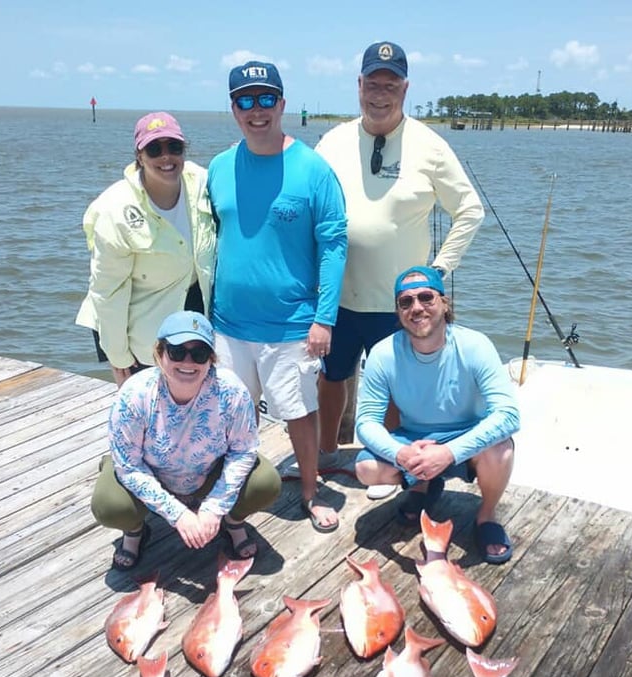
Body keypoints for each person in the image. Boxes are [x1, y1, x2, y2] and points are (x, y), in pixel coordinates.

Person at [315, 42, 485, 486]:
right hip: (338, 295)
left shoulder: (430, 145)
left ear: (405, 89)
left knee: (393, 385)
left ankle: (387, 464)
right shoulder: (332, 141)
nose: (380, 93)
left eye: (390, 84)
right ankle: (327, 451)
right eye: (373, 83)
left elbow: (470, 210)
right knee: (331, 377)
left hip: (399, 302)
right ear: (359, 86)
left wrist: (439, 271)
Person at [207, 61, 348, 533]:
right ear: (233, 109)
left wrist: (323, 318)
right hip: (227, 323)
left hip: (292, 324)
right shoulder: (220, 167)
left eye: (266, 99)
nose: (256, 110)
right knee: (229, 417)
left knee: (299, 415)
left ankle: (310, 492)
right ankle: (231, 492)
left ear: (283, 104)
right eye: (245, 101)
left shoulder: (313, 169)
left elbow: (333, 246)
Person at [91, 310, 282, 570]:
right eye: (177, 352)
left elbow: (243, 451)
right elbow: (129, 466)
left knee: (266, 481)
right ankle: (135, 532)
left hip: (206, 474)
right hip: (152, 471)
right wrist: (177, 513)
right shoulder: (134, 394)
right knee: (110, 505)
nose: (188, 362)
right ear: (160, 354)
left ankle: (232, 522)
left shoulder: (232, 390)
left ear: (211, 359)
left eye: (199, 353)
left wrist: (214, 507)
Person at [354, 267, 520, 564]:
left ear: (445, 303)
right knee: (366, 468)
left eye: (426, 297)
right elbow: (366, 421)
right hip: (413, 438)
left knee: (502, 450)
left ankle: (486, 516)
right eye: (406, 302)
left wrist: (449, 453)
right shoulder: (382, 353)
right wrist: (401, 453)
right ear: (398, 311)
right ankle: (423, 485)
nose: (416, 308)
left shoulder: (475, 345)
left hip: (467, 436)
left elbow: (508, 415)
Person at [76, 112, 216, 388]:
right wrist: (118, 357)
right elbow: (107, 293)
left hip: (194, 327)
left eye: (174, 147)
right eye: (154, 149)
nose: (166, 157)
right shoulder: (114, 209)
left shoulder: (201, 182)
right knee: (150, 421)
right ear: (139, 156)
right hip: (140, 337)